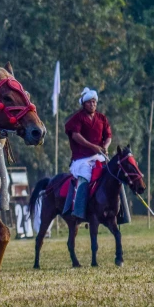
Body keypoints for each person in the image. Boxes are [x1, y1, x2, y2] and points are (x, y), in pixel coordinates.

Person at [63, 88, 112, 220]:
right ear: (84, 104)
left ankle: (119, 211)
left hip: (99, 155)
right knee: (85, 175)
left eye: (94, 102)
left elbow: (108, 136)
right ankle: (79, 211)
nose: (93, 104)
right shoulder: (78, 118)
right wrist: (93, 147)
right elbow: (75, 135)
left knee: (114, 173)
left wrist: (105, 147)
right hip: (81, 159)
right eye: (90, 102)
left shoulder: (102, 118)